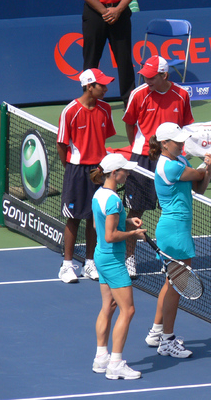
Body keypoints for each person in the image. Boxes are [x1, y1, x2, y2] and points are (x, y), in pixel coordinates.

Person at [145, 122, 211, 357]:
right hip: (175, 231)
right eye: (177, 141)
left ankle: (156, 332)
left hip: (177, 229)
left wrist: (207, 170)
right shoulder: (170, 166)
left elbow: (199, 188)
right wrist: (206, 167)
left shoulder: (180, 161)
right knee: (177, 286)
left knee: (170, 282)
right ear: (164, 144)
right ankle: (167, 340)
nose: (182, 143)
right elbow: (198, 174)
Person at [121, 56, 194, 277]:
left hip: (170, 158)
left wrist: (181, 152)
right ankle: (129, 258)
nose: (147, 79)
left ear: (164, 76)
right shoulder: (139, 94)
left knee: (169, 211)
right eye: (145, 75)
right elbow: (129, 123)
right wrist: (139, 148)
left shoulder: (181, 95)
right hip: (143, 158)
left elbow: (187, 125)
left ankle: (168, 259)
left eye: (152, 77)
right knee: (136, 210)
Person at [90, 153, 146, 379]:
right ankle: (115, 364)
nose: (128, 173)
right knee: (128, 310)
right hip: (113, 260)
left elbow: (98, 225)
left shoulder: (99, 195)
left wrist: (126, 220)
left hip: (101, 257)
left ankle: (101, 358)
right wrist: (134, 233)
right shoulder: (113, 200)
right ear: (115, 173)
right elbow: (111, 235)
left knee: (109, 307)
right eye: (125, 170)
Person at [57, 68, 116, 283]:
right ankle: (66, 265)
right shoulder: (70, 111)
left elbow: (104, 138)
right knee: (73, 219)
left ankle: (90, 263)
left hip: (98, 170)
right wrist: (71, 168)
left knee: (94, 217)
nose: (106, 88)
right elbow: (62, 144)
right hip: (77, 170)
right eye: (102, 85)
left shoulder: (106, 109)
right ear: (89, 86)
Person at [73, 0, 140, 106]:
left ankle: (129, 103)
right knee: (91, 59)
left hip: (120, 12)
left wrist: (118, 10)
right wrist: (104, 11)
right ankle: (88, 102)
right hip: (95, 13)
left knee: (124, 60)